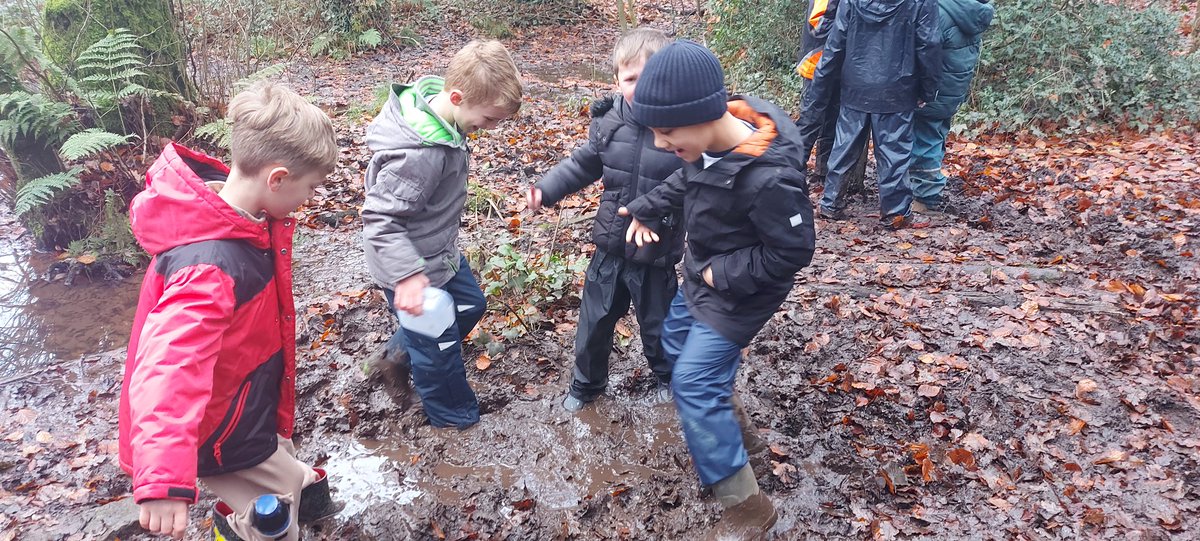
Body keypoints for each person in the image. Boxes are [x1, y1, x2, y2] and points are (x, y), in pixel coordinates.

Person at [119, 82, 342, 541]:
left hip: (244, 405)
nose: (311, 199)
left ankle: (278, 495)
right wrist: (162, 480)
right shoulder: (210, 265)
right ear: (277, 178)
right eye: (310, 187)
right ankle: (242, 526)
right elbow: (168, 367)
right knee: (273, 518)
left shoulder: (244, 223)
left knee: (286, 473)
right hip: (218, 431)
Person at [621, 40, 817, 539]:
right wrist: (648, 205)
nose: (662, 145)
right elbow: (690, 181)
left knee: (693, 383)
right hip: (702, 274)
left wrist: (720, 275)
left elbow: (792, 253)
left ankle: (749, 509)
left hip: (741, 294)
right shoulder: (707, 145)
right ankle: (741, 446)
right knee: (673, 344)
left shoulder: (770, 180)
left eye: (666, 133)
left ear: (704, 115)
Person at [361, 40, 523, 430]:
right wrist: (406, 274)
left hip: (439, 253)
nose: (490, 128)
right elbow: (380, 219)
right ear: (455, 96)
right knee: (440, 349)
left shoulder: (443, 118)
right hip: (411, 270)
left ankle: (396, 358)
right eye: (488, 119)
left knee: (469, 306)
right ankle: (455, 421)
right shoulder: (419, 154)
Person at [527, 27, 684, 413]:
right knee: (594, 322)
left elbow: (693, 178)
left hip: (656, 251)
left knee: (658, 325)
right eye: (631, 79)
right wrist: (546, 190)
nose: (640, 87)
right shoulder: (609, 122)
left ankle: (668, 378)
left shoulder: (683, 126)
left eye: (651, 78)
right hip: (611, 245)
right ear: (616, 81)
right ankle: (586, 384)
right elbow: (583, 164)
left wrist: (652, 210)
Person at [805, 0, 942, 229]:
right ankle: (895, 214)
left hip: (855, 85)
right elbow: (929, 44)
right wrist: (928, 88)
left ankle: (831, 203)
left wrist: (822, 83)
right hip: (898, 86)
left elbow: (835, 43)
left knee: (844, 148)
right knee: (894, 152)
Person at [910, 0, 994, 213]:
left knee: (924, 142)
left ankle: (925, 199)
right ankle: (928, 189)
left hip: (933, 91)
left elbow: (925, 50)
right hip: (952, 89)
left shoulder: (939, 12)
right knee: (935, 137)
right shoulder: (971, 11)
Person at [794, 0, 842, 185]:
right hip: (817, 64)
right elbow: (819, 24)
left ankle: (822, 173)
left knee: (832, 121)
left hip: (836, 64)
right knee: (810, 120)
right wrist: (851, 27)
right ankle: (794, 170)